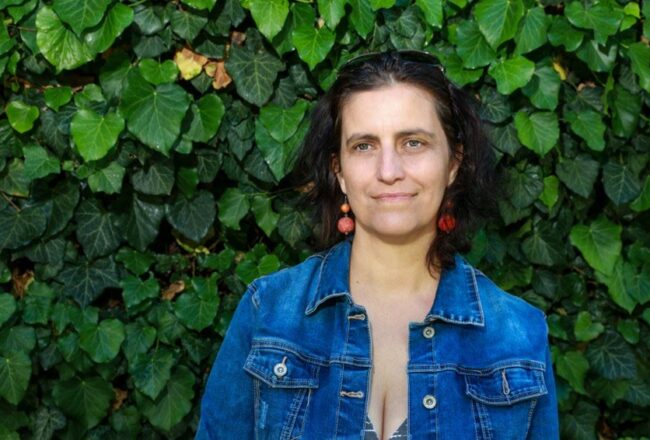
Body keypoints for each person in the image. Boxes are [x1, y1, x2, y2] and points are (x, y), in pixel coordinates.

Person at [196, 51, 559, 439]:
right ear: (339, 171)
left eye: (413, 143)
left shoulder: (518, 336)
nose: (389, 171)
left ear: (453, 163)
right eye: (364, 146)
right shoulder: (267, 313)